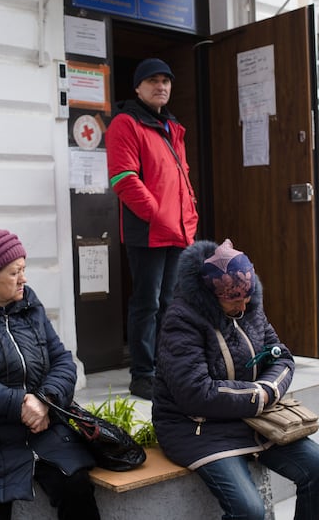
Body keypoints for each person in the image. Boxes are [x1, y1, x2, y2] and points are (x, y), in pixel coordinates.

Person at [153, 238, 319, 519]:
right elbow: (195, 393)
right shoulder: (181, 320)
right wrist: (257, 397)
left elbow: (281, 357)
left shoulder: (250, 308)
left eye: (247, 296)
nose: (243, 304)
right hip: (197, 430)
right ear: (212, 295)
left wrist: (268, 390)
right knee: (249, 511)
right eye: (234, 299)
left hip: (251, 419)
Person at [0, 229, 100, 520]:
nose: (23, 278)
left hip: (43, 432)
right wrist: (21, 404)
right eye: (14, 272)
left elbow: (63, 361)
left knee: (78, 487)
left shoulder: (30, 308)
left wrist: (45, 400)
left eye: (24, 270)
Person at [105, 57, 199, 400]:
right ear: (138, 87)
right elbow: (123, 178)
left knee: (171, 303)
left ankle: (166, 367)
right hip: (148, 231)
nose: (161, 86)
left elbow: (181, 177)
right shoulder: (126, 123)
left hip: (177, 230)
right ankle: (142, 374)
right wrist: (158, 215)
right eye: (153, 80)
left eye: (166, 80)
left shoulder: (171, 127)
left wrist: (189, 215)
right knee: (147, 303)